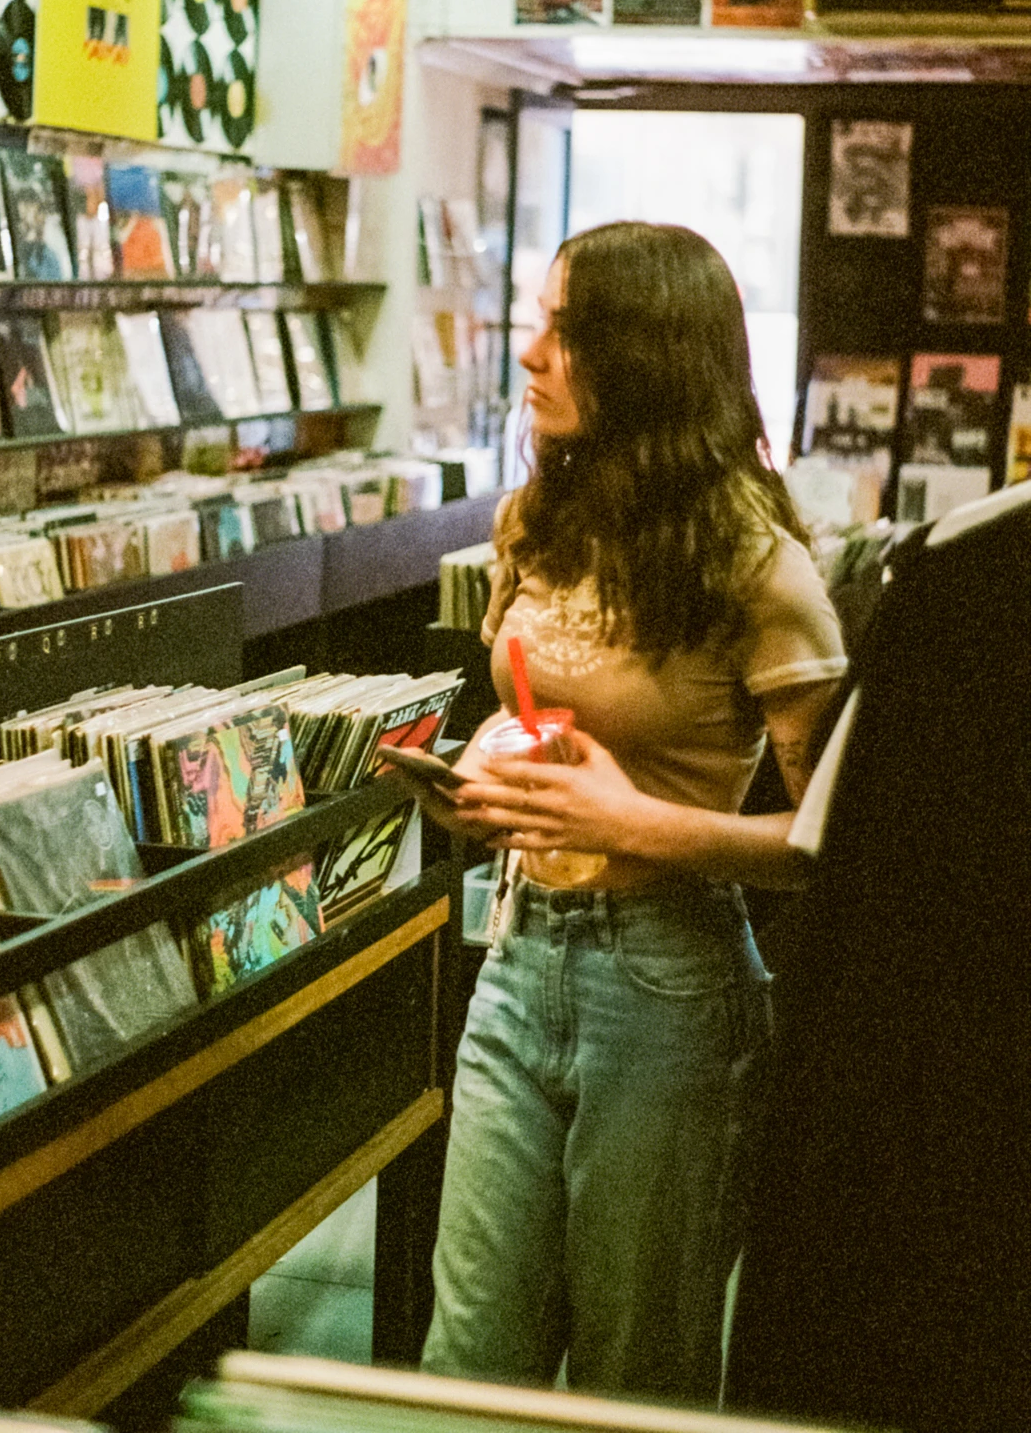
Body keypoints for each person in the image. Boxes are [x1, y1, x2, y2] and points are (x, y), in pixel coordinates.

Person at [417, 222, 847, 1405]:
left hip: (667, 986)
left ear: (647, 354)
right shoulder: (532, 523)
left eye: (567, 329)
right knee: (467, 1370)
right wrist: (493, 772)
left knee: (633, 1382)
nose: (531, 353)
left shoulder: (756, 563)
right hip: (516, 959)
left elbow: (834, 849)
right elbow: (529, 713)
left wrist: (628, 819)